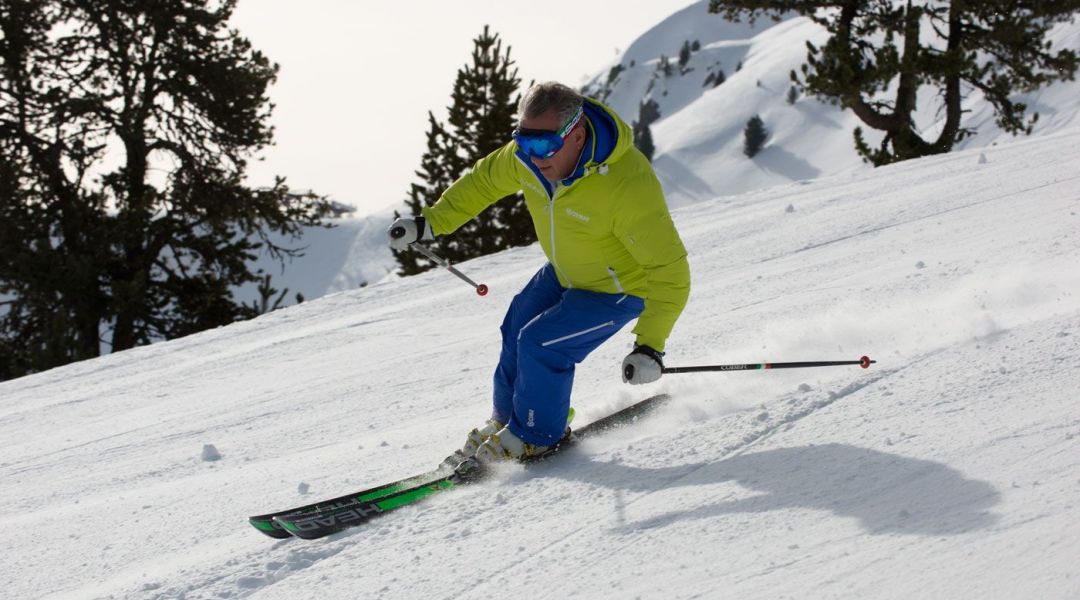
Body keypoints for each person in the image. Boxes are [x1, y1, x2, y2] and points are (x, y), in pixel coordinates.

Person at [389, 82, 690, 463]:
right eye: (523, 142)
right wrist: (429, 223)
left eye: (543, 146)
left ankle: (537, 435)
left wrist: (651, 345)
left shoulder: (625, 183)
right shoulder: (528, 158)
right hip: (566, 273)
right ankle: (508, 422)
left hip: (619, 290)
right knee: (516, 328)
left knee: (542, 342)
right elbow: (482, 182)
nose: (532, 157)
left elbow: (669, 267)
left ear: (577, 135)